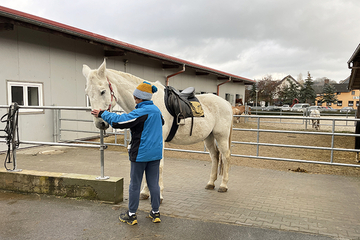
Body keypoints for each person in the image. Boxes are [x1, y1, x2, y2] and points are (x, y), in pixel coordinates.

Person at [91, 81, 164, 225]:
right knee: (153, 184)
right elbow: (161, 123)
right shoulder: (156, 110)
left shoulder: (140, 112)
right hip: (155, 154)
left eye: (135, 96)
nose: (134, 98)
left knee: (135, 184)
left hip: (140, 154)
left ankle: (131, 215)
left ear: (139, 98)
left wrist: (102, 113)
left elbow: (119, 122)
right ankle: (155, 213)